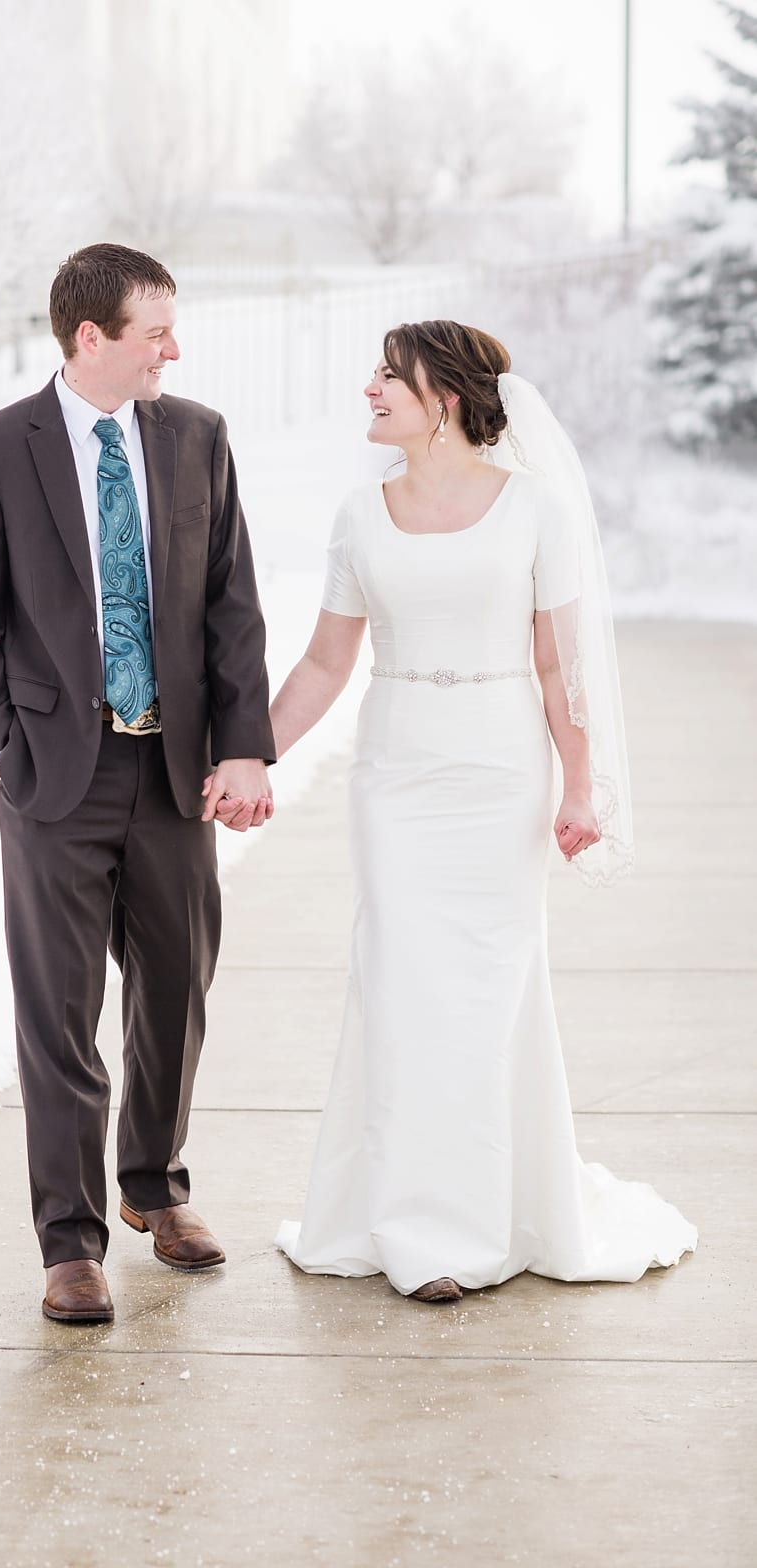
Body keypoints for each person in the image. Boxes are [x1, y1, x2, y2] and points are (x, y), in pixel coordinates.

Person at [268, 320, 696, 1302]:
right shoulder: (359, 512)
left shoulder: (536, 510)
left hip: (501, 772)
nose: (369, 387)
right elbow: (327, 662)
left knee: (486, 992)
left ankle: (479, 1219)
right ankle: (408, 1219)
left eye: (389, 375)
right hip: (396, 771)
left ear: (445, 398)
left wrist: (579, 786)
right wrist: (249, 752)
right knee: (400, 981)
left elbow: (559, 666)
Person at [0, 243, 277, 1326]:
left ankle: (155, 1190)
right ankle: (70, 1239)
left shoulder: (197, 438)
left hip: (175, 768)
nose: (172, 350)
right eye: (154, 332)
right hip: (54, 778)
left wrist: (245, 745)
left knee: (175, 991)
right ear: (93, 337)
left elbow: (232, 605)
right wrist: (3, 748)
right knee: (61, 1014)